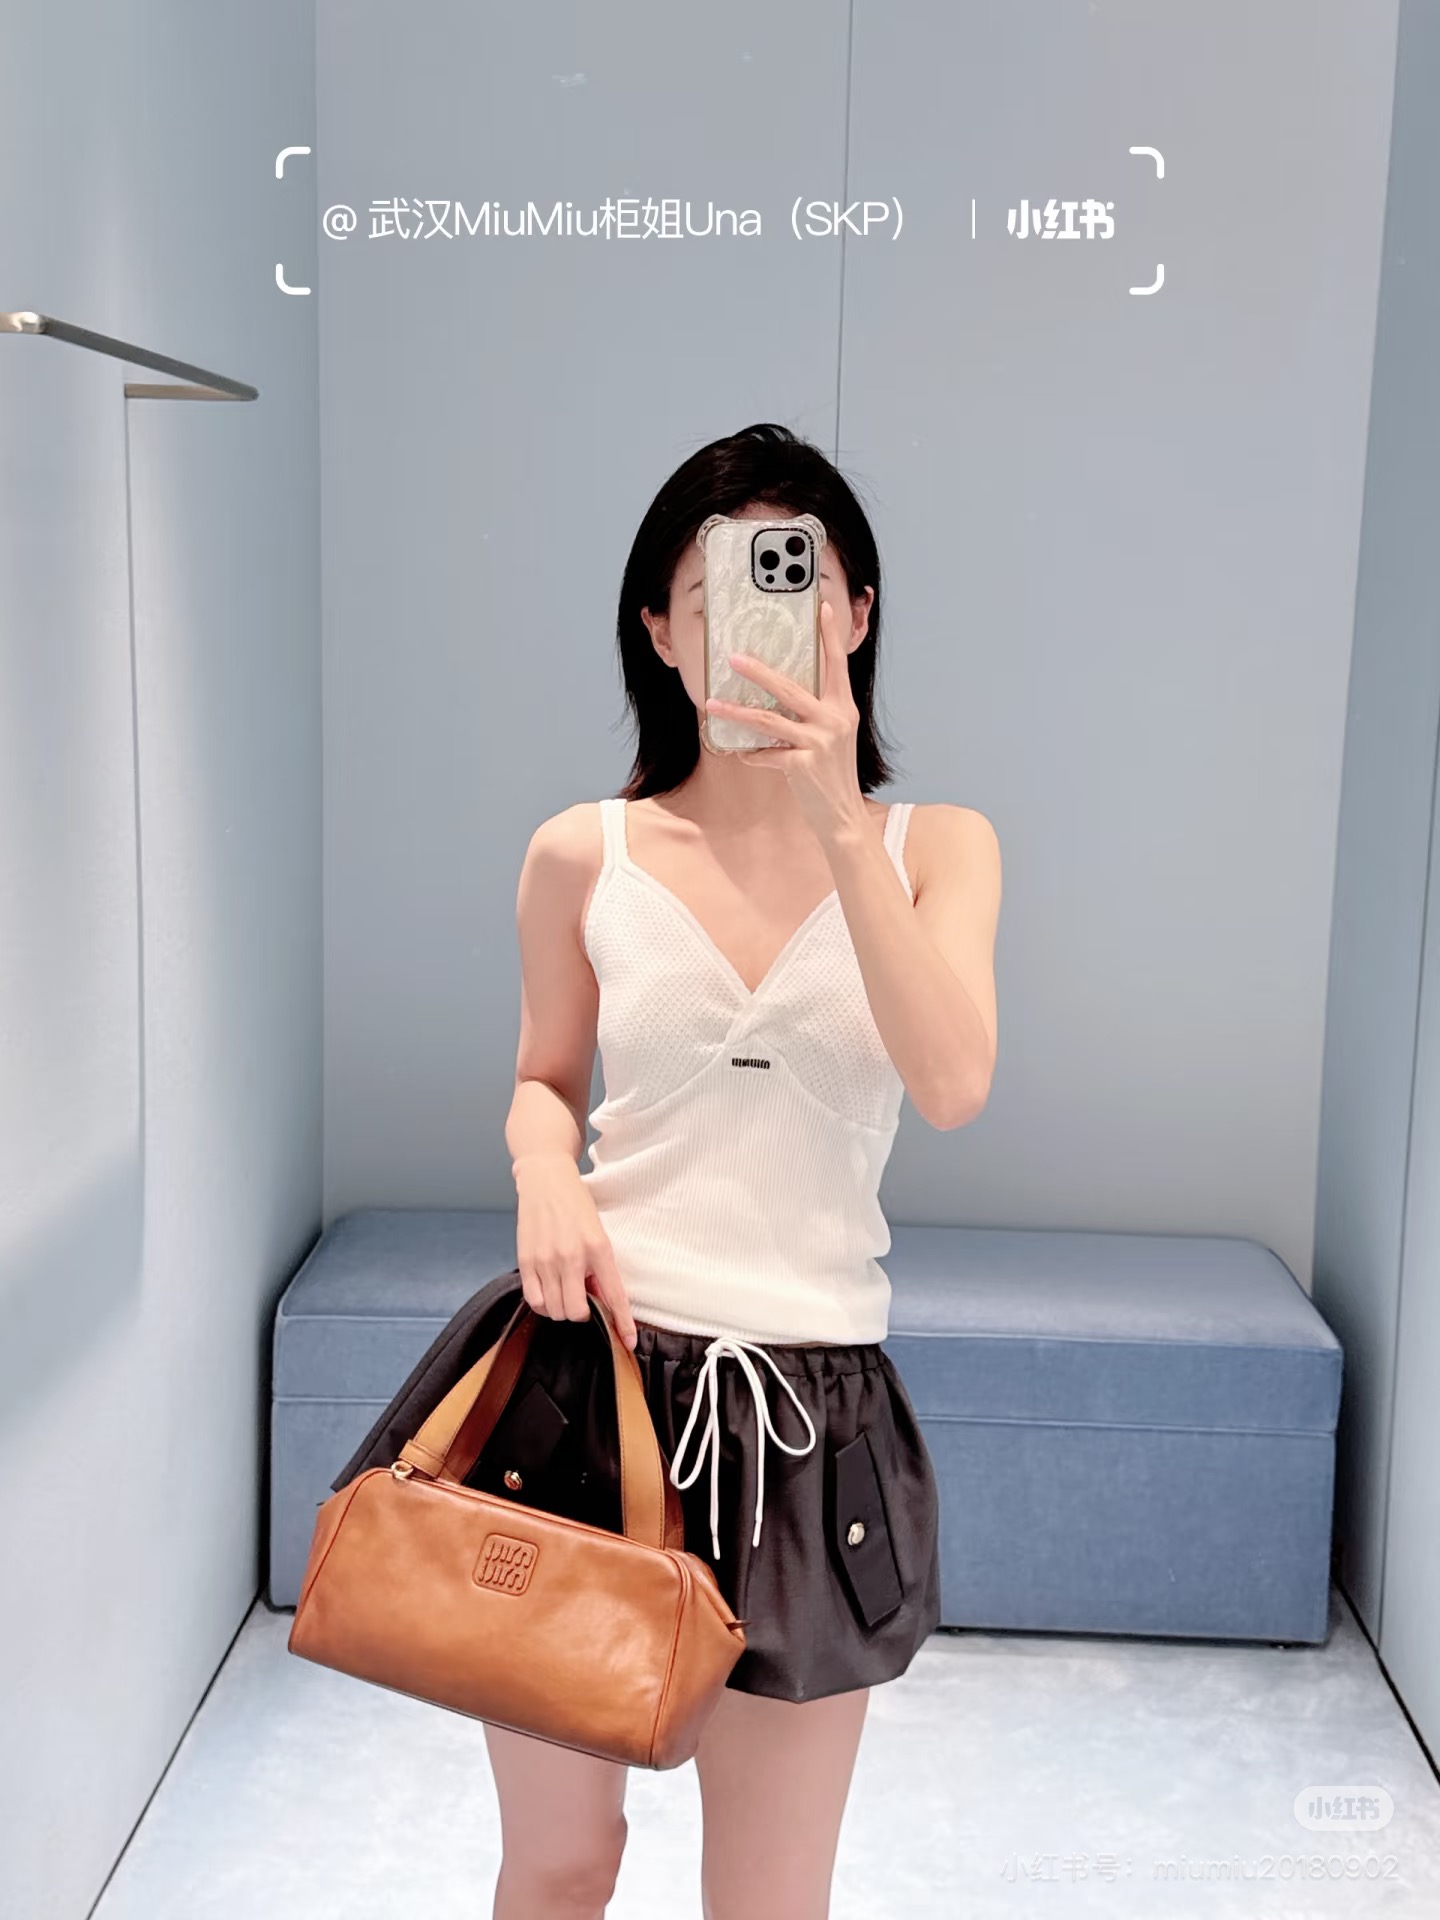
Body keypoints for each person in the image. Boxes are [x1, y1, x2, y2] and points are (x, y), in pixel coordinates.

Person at [491, 421, 1001, 1920]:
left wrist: (837, 813)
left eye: (797, 582)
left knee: (770, 1899)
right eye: (712, 594)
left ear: (855, 616)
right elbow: (542, 1082)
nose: (753, 623)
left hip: (809, 1420)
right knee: (561, 1863)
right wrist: (543, 1173)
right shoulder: (583, 854)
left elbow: (953, 1083)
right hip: (593, 1384)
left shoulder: (939, 850)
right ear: (660, 629)